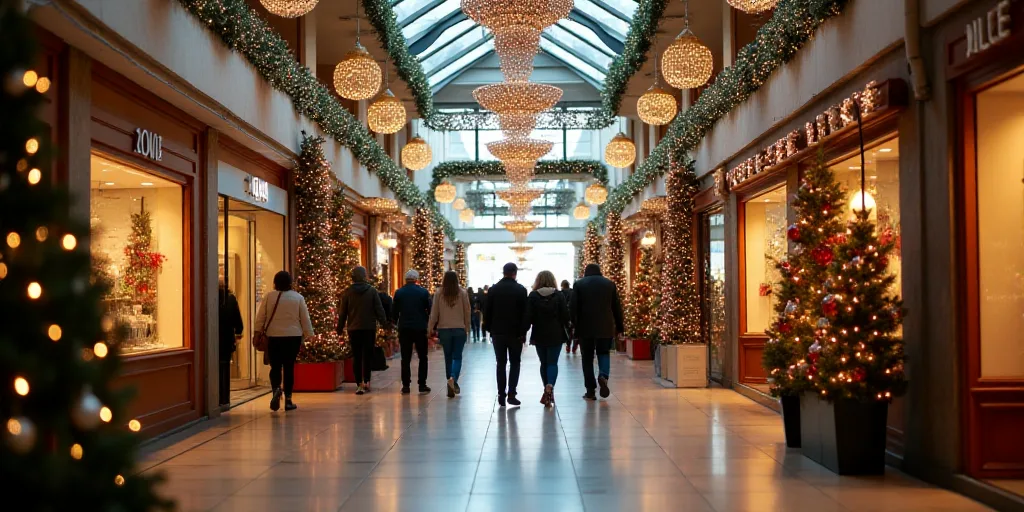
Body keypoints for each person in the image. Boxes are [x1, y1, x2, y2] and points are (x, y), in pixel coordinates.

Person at [254, 271, 314, 412]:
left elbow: (260, 317)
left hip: (273, 336)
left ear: (275, 282)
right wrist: (309, 335)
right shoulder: (298, 297)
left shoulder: (269, 297)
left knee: (275, 367)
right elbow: (305, 318)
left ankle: (276, 389)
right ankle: (288, 400)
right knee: (289, 367)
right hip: (293, 337)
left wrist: (257, 333)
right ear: (290, 283)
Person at [571, 263, 624, 401]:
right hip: (605, 326)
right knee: (603, 353)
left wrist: (574, 325)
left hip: (585, 326)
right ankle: (603, 376)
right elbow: (616, 307)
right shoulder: (609, 284)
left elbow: (573, 307)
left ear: (586, 272)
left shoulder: (579, 284)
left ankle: (590, 390)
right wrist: (620, 327)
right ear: (599, 272)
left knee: (587, 358)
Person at [484, 262, 528, 407]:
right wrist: (523, 331)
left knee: (500, 363)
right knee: (515, 363)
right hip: (515, 333)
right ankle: (512, 394)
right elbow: (524, 313)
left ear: (503, 272)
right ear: (515, 273)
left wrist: (489, 329)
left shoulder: (494, 289)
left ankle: (501, 394)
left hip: (498, 332)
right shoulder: (521, 290)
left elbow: (487, 311)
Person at [337, 266, 386, 395]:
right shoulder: (372, 291)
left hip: (354, 328)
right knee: (367, 356)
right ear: (364, 276)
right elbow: (379, 309)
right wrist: (384, 323)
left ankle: (358, 384)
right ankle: (367, 381)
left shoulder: (347, 292)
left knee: (357, 356)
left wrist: (339, 328)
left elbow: (343, 313)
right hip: (369, 328)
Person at [526, 271, 570, 406]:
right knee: (552, 363)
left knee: (543, 363)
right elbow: (565, 316)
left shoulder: (533, 296)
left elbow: (529, 316)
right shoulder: (559, 295)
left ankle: (546, 388)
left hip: (539, 333)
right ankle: (550, 386)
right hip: (556, 333)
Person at [428, 271, 472, 398]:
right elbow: (467, 311)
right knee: (457, 357)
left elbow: (434, 312)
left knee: (448, 357)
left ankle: (450, 383)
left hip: (444, 330)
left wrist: (430, 327)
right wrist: (467, 328)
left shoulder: (439, 293)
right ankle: (453, 379)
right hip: (459, 329)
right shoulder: (462, 293)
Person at [392, 269, 432, 394]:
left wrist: (395, 323)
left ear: (405, 279)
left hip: (405, 328)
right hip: (420, 328)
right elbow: (429, 310)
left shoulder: (399, 293)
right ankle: (422, 384)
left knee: (405, 357)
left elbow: (394, 312)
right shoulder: (423, 292)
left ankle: (406, 385)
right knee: (423, 357)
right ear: (416, 279)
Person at [218, 281, 244, 407]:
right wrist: (238, 332)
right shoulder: (231, 299)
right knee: (225, 366)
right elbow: (237, 319)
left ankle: (215, 396)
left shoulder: (211, 298)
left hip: (213, 339)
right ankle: (225, 398)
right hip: (227, 339)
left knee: (214, 367)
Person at [560, 280, 578, 355]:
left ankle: (568, 346)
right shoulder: (573, 292)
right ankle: (575, 345)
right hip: (574, 314)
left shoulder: (561, 293)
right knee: (575, 330)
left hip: (566, 314)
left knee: (568, 331)